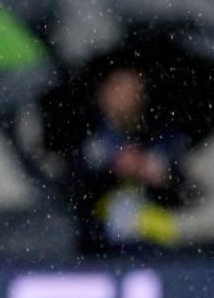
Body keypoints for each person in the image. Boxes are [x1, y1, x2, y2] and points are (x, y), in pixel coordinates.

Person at [69, 67, 190, 255]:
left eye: (134, 91)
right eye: (120, 89)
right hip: (98, 247)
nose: (127, 97)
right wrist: (111, 168)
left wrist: (157, 171)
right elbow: (74, 187)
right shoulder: (83, 136)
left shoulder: (162, 137)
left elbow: (183, 186)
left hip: (155, 246)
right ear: (104, 93)